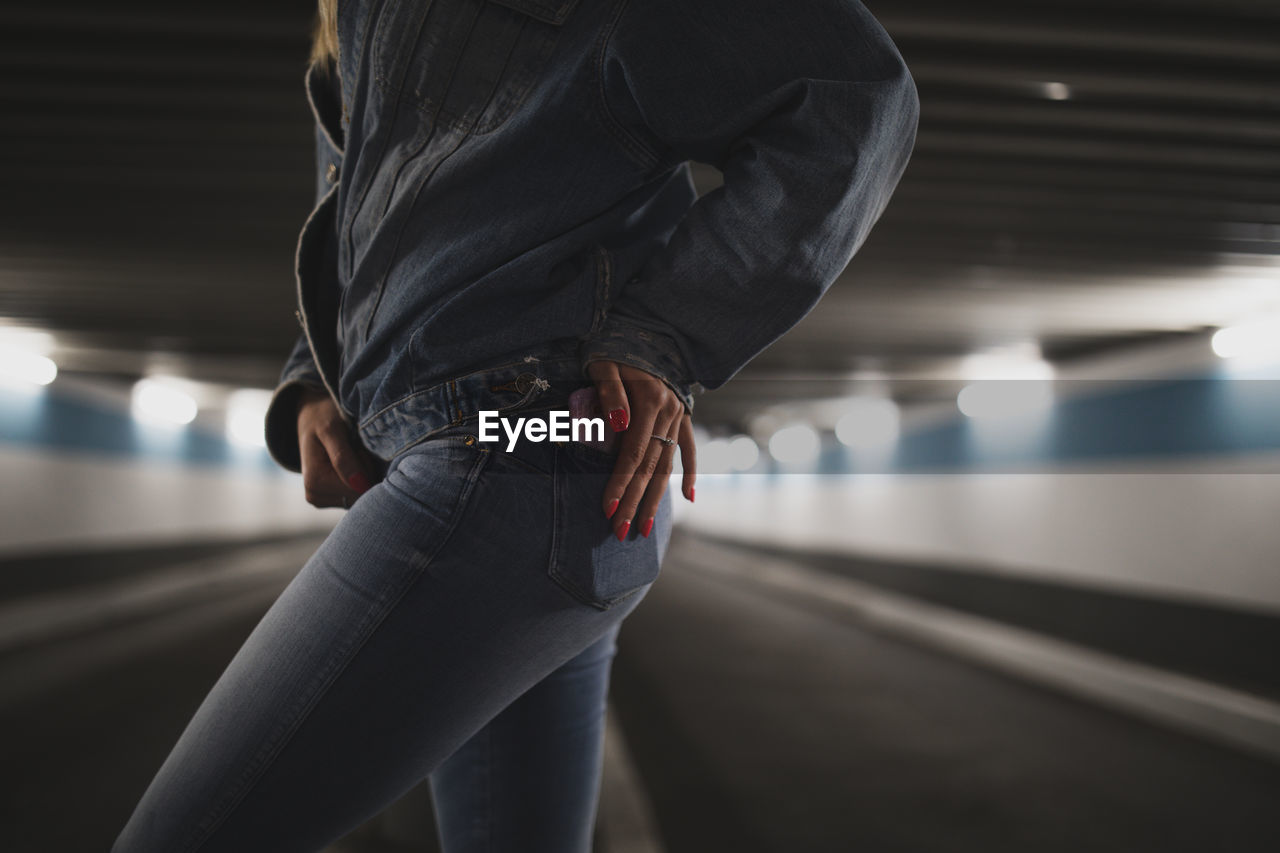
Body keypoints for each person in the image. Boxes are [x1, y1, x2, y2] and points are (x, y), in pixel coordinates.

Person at [113, 0, 917, 849]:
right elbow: (368, 198)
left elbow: (854, 94)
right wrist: (316, 375)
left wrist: (667, 334)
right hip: (516, 467)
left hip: (508, 451)